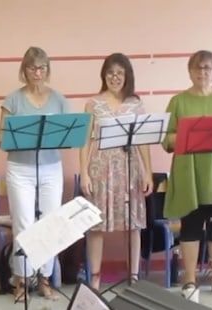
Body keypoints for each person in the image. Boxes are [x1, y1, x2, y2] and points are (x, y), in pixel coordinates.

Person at [163, 50, 212, 303]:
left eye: (207, 68)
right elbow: (166, 139)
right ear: (190, 71)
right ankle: (189, 279)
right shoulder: (178, 101)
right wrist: (187, 135)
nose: (202, 72)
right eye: (197, 68)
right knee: (191, 225)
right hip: (190, 173)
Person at [0, 46, 71, 302]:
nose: (37, 73)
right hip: (20, 169)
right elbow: (2, 139)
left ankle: (44, 278)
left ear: (47, 70)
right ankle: (21, 280)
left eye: (42, 68)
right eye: (32, 68)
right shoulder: (13, 100)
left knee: (51, 222)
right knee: (24, 223)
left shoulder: (59, 100)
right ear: (24, 70)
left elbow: (68, 136)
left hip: (51, 167)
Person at [80, 53, 153, 290]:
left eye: (120, 73)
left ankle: (133, 276)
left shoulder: (136, 104)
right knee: (96, 225)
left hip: (129, 168)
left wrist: (148, 172)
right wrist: (84, 172)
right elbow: (85, 141)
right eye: (110, 72)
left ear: (127, 76)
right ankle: (95, 278)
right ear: (104, 75)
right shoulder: (93, 104)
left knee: (133, 224)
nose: (115, 77)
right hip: (100, 169)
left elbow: (143, 141)